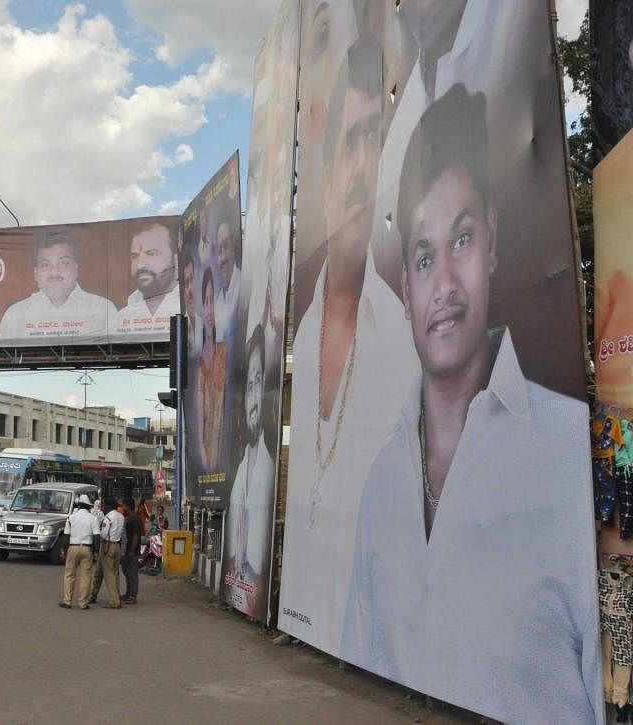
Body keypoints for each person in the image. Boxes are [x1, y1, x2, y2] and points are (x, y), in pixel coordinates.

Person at [340, 85, 601, 724]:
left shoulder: (572, 451)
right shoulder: (381, 483)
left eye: (461, 240)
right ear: (405, 286)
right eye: (425, 257)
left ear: (493, 241)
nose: (445, 287)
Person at [279, 35, 418, 654]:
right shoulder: (305, 329)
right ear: (328, 168)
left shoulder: (406, 343)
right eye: (352, 141)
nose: (365, 166)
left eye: (377, 142)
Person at [224, 325, 274, 616]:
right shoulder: (238, 477)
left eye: (260, 382)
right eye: (250, 387)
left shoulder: (268, 476)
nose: (254, 401)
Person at [0, 231, 118, 347]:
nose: (54, 272)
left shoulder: (104, 309)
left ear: (76, 268)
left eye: (63, 263)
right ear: (36, 273)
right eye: (45, 264)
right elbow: (2, 361)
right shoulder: (14, 314)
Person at [113, 221, 180, 338]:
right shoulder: (122, 317)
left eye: (151, 254)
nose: (140, 265)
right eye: (134, 256)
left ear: (176, 260)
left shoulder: (190, 306)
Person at [195, 269, 228, 471]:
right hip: (208, 453)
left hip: (223, 449)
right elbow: (200, 425)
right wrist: (202, 448)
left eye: (211, 302)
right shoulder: (199, 363)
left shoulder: (224, 352)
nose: (209, 311)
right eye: (205, 302)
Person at [61, 494, 100, 609]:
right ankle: (83, 603)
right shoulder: (93, 519)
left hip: (73, 547)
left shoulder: (71, 517)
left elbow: (66, 537)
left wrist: (65, 550)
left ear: (78, 505)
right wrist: (96, 552)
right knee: (86, 577)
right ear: (88, 506)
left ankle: (67, 601)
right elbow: (97, 537)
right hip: (87, 548)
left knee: (69, 575)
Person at [97, 497, 125, 609]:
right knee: (115, 573)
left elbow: (103, 534)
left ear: (109, 506)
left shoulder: (108, 518)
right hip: (117, 545)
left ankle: (114, 601)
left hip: (108, 545)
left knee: (109, 575)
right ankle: (117, 596)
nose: (103, 508)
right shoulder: (121, 516)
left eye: (104, 506)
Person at [121, 497, 144, 605]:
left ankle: (133, 596)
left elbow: (136, 536)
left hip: (132, 551)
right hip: (126, 550)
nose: (122, 508)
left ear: (128, 507)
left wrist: (131, 550)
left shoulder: (135, 519)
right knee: (126, 572)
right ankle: (128, 593)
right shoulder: (127, 518)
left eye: (123, 506)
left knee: (132, 574)